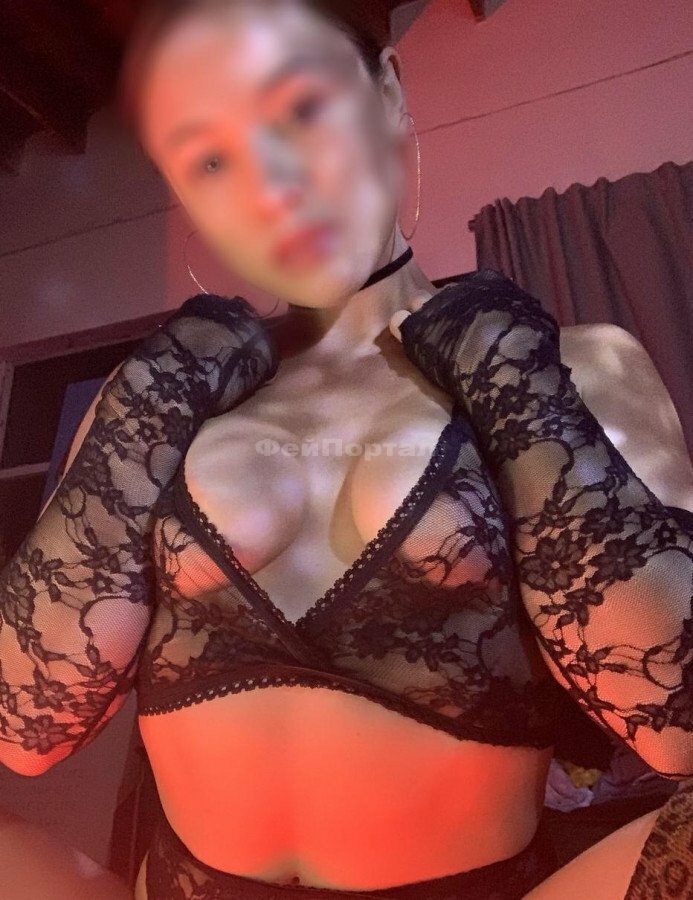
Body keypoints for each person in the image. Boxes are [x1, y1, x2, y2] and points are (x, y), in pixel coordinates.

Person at [0, 2, 691, 898]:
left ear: (389, 92)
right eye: (210, 159)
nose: (271, 185)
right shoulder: (164, 402)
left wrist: (515, 381)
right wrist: (146, 394)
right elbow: (25, 724)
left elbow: (677, 721)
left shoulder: (574, 365)